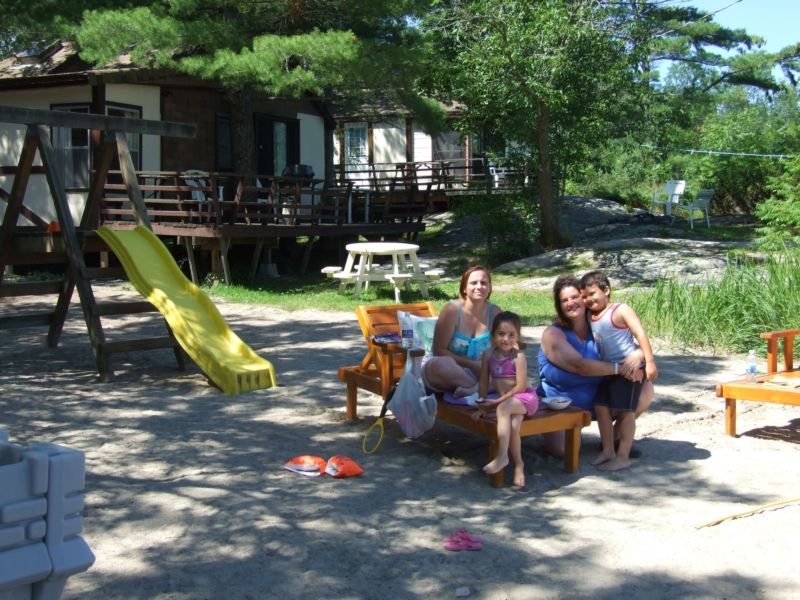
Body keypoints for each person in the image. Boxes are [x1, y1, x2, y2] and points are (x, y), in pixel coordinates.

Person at [537, 275, 652, 457]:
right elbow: (579, 366)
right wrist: (622, 368)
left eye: (575, 297)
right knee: (565, 451)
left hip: (600, 402)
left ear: (584, 298)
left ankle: (612, 440)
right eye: (564, 300)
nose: (571, 303)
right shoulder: (552, 334)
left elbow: (624, 345)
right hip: (561, 406)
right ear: (559, 306)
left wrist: (638, 354)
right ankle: (559, 431)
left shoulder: (598, 326)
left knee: (645, 388)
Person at [579, 270, 657, 471]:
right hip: (610, 370)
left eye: (592, 293)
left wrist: (648, 362)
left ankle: (623, 456)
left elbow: (640, 333)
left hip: (630, 369)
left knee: (626, 412)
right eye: (584, 296)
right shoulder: (590, 315)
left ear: (606, 290)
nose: (588, 299)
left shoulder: (620, 310)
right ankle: (607, 450)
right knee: (601, 406)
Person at [471, 311, 539, 487]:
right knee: (514, 426)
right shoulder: (488, 355)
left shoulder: (519, 357)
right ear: (493, 335)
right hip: (508, 403)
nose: (506, 339)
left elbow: (521, 387)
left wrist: (496, 403)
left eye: (511, 335)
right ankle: (519, 464)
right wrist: (482, 405)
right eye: (501, 334)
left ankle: (502, 456)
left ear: (517, 336)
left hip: (525, 399)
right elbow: (484, 381)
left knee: (502, 409)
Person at [421, 266, 501, 396]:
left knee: (514, 367)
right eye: (474, 283)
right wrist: (473, 365)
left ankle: (472, 391)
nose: (479, 286)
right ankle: (479, 391)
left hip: (482, 373)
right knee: (441, 365)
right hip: (448, 371)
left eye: (484, 283)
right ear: (464, 288)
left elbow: (504, 347)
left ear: (490, 287)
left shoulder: (496, 313)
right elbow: (439, 351)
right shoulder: (452, 310)